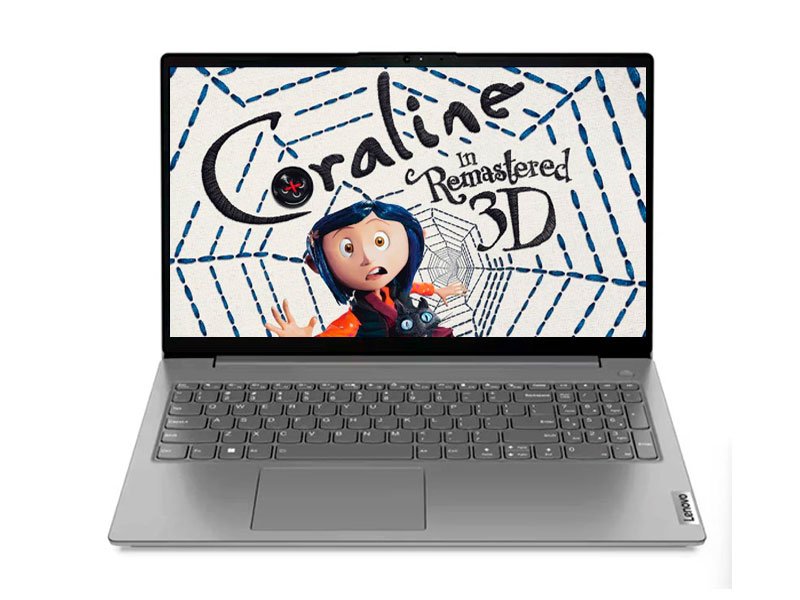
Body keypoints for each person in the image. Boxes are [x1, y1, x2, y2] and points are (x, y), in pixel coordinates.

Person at [265, 200, 466, 337]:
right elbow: (337, 333)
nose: (368, 258)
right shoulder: (359, 316)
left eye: (380, 241)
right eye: (348, 249)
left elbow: (415, 287)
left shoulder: (396, 288)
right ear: (317, 265)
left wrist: (438, 290)